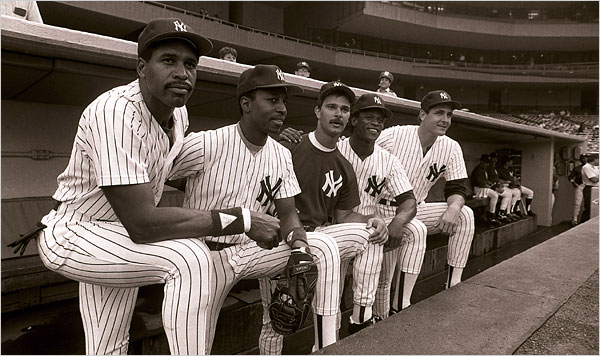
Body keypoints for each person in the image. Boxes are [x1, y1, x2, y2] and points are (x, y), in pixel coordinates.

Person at [18, 18, 283, 355]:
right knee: (190, 257)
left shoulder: (179, 115)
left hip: (118, 237)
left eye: (190, 64)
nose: (182, 73)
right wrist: (243, 219)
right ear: (142, 67)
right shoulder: (115, 112)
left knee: (107, 345)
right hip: (76, 232)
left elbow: (167, 168)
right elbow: (143, 224)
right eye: (168, 60)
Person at [169, 64, 342, 354]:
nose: (282, 109)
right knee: (196, 344)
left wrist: (299, 247)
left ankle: (328, 348)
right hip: (203, 257)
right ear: (246, 104)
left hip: (251, 251)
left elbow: (288, 214)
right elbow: (156, 177)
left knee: (322, 245)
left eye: (284, 101)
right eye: (272, 100)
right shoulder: (205, 143)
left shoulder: (281, 155)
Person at [264, 80, 389, 352]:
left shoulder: (344, 167)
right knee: (275, 323)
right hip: (279, 235)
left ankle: (357, 321)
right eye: (331, 107)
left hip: (318, 236)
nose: (338, 114)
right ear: (317, 111)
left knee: (371, 234)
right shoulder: (290, 145)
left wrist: (372, 219)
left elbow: (344, 215)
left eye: (345, 109)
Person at [376, 90, 475, 290]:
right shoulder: (394, 136)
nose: (445, 119)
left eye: (449, 115)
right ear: (422, 115)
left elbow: (457, 187)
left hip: (416, 211)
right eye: (439, 113)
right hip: (381, 210)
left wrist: (453, 209)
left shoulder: (451, 146)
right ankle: (392, 311)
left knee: (465, 213)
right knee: (383, 281)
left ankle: (453, 284)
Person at [337, 93, 424, 318]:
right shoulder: (336, 149)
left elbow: (409, 201)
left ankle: (382, 317)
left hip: (370, 222)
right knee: (332, 293)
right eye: (369, 117)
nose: (376, 123)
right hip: (337, 225)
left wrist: (398, 221)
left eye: (380, 119)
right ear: (354, 120)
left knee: (415, 229)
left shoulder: (388, 159)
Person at [488, 152, 520, 221]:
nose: (495, 160)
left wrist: (501, 183)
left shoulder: (494, 168)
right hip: (491, 187)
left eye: (496, 159)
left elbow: (497, 179)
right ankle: (500, 214)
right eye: (493, 159)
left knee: (515, 192)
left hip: (498, 186)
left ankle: (507, 213)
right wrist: (496, 185)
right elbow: (489, 180)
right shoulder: (489, 168)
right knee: (508, 194)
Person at [470, 154, 501, 225]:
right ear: (481, 161)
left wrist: (492, 184)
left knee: (497, 194)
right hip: (478, 190)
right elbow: (482, 184)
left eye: (488, 163)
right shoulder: (477, 170)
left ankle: (489, 215)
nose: (487, 164)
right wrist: (494, 187)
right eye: (485, 162)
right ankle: (491, 216)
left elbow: (486, 181)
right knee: (494, 195)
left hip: (483, 189)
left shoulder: (484, 169)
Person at [568, 154, 587, 226]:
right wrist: (573, 182)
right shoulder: (577, 168)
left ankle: (586, 219)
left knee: (588, 203)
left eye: (586, 158)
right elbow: (570, 177)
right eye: (583, 158)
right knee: (577, 203)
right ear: (580, 159)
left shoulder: (591, 168)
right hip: (580, 186)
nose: (584, 159)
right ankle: (574, 219)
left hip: (588, 186)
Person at [580, 153, 599, 223]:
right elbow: (594, 180)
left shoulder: (595, 167)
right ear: (595, 159)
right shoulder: (586, 167)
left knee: (596, 207)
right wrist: (597, 177)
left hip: (596, 189)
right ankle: (582, 225)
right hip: (590, 189)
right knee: (589, 208)